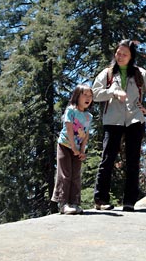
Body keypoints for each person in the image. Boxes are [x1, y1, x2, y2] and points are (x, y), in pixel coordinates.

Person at [92, 39, 146, 212]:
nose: (120, 56)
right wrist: (112, 92)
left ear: (131, 57)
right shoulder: (107, 73)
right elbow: (94, 94)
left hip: (134, 121)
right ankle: (101, 200)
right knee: (107, 160)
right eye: (118, 53)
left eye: (125, 54)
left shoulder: (140, 73)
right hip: (112, 120)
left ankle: (129, 202)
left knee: (133, 161)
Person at [51, 84, 93, 215]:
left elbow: (86, 134)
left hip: (77, 149)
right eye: (84, 95)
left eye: (90, 96)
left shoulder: (88, 116)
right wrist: (73, 147)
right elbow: (69, 128)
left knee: (75, 175)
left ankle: (74, 202)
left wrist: (82, 150)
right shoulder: (71, 110)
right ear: (77, 96)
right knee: (65, 174)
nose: (88, 98)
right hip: (65, 145)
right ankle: (63, 203)